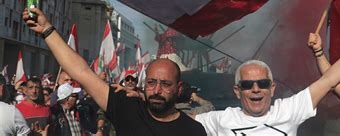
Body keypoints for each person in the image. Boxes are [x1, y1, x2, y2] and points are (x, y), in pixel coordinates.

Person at [23, 8, 206, 136]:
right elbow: (81, 72)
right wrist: (47, 29)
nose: (157, 90)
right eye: (151, 82)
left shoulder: (193, 131)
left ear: (179, 88)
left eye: (165, 84)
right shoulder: (127, 108)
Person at [194, 17, 340, 135]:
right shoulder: (219, 120)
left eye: (262, 83)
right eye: (247, 85)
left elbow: (329, 80)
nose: (256, 89)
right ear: (237, 91)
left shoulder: (287, 111)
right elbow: (172, 121)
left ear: (272, 88)